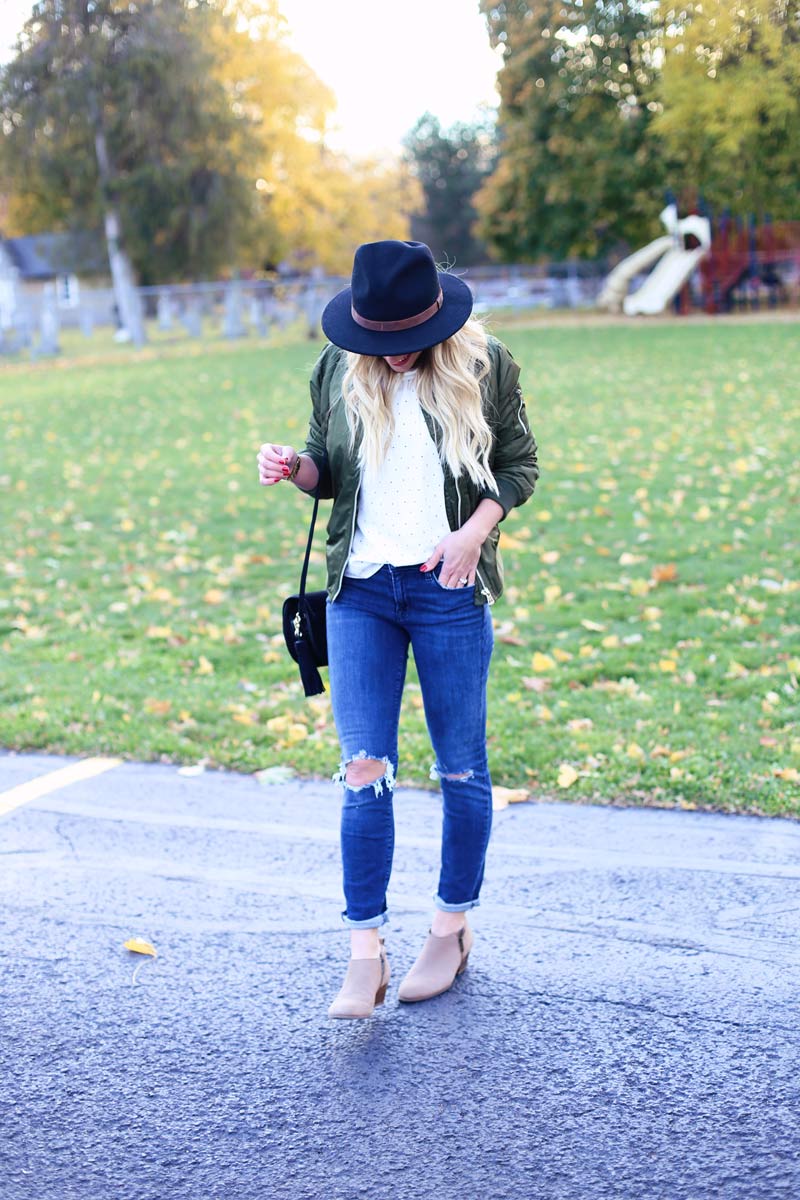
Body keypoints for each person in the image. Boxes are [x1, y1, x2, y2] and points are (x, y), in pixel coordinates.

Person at [257, 240, 538, 1019]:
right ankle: (365, 950)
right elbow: (327, 468)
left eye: (407, 338)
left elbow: (519, 467)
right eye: (377, 339)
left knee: (461, 770)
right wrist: (294, 468)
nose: (393, 353)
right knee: (363, 769)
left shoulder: (485, 366)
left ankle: (450, 929)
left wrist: (472, 534)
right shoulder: (338, 367)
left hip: (448, 588)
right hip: (360, 592)